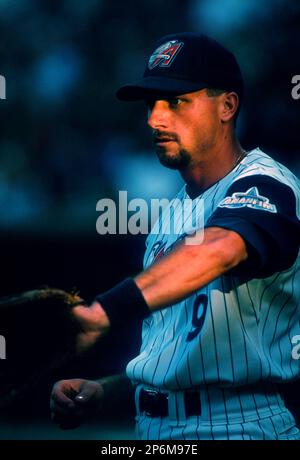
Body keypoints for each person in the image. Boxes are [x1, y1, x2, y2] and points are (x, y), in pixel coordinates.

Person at [50, 32, 300, 440]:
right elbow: (176, 364)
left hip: (238, 426)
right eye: (152, 103)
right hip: (154, 430)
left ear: (227, 106)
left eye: (176, 101)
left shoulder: (267, 183)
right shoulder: (175, 210)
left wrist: (103, 311)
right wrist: (103, 392)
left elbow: (221, 248)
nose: (155, 118)